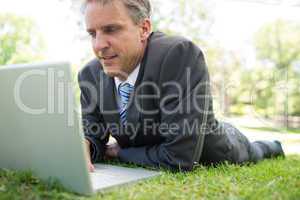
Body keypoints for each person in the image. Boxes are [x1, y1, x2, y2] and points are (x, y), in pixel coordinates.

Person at [79, 0, 284, 172]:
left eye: (111, 30)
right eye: (92, 34)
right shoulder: (89, 75)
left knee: (258, 151)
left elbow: (179, 157)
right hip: (163, 139)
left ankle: (273, 145)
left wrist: (119, 152)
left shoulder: (179, 55)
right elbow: (93, 132)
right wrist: (85, 145)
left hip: (216, 148)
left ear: (144, 29)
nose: (98, 46)